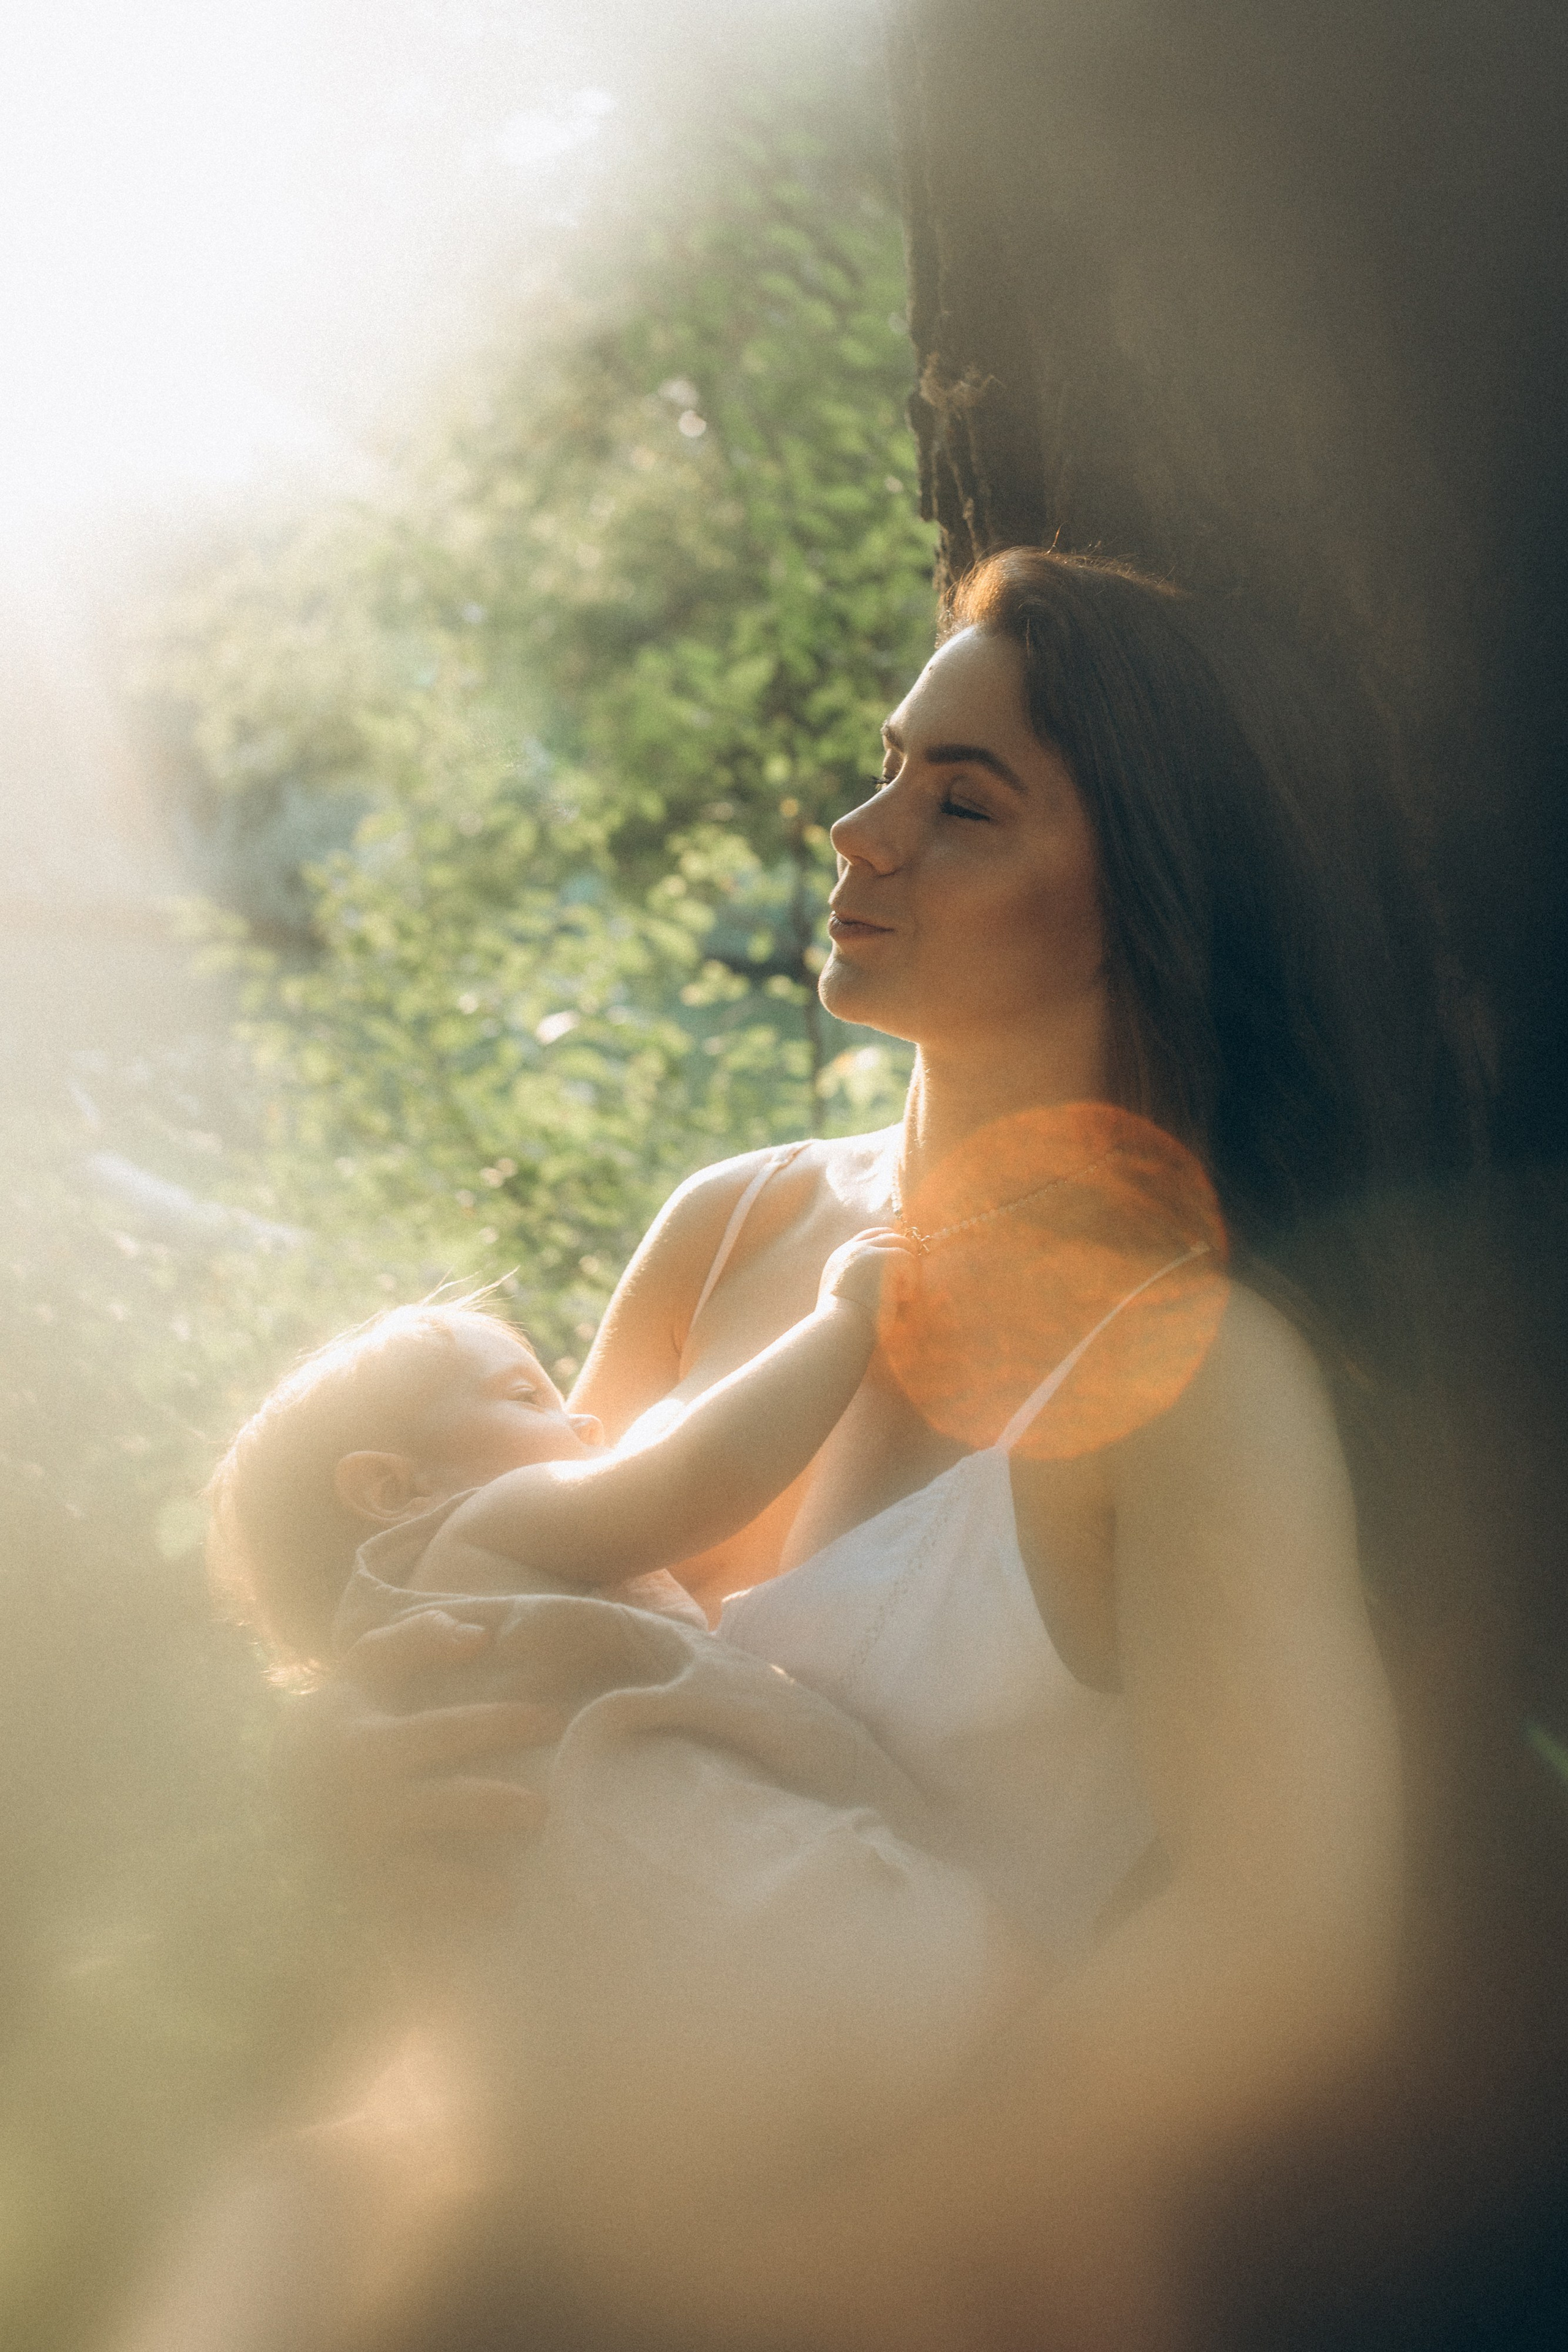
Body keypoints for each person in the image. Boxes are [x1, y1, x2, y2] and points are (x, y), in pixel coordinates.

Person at [256, 548, 1458, 2350]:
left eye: (959, 804)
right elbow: (531, 1637)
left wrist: (811, 2272)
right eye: (889, 766)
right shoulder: (729, 1232)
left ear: (1142, 894)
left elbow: (1289, 1955)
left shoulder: (1194, 1376)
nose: (857, 830)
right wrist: (347, 1764)